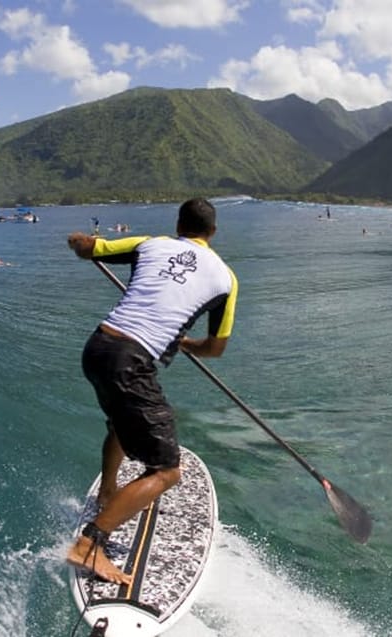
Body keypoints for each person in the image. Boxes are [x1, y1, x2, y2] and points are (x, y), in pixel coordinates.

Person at [65, 198, 238, 584]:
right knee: (167, 471)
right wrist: (185, 342)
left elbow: (87, 247)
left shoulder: (150, 243)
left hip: (98, 348)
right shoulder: (226, 278)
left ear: (179, 224)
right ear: (213, 232)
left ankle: (109, 491)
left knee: (119, 427)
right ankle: (89, 545)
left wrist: (77, 240)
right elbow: (216, 348)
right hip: (130, 362)